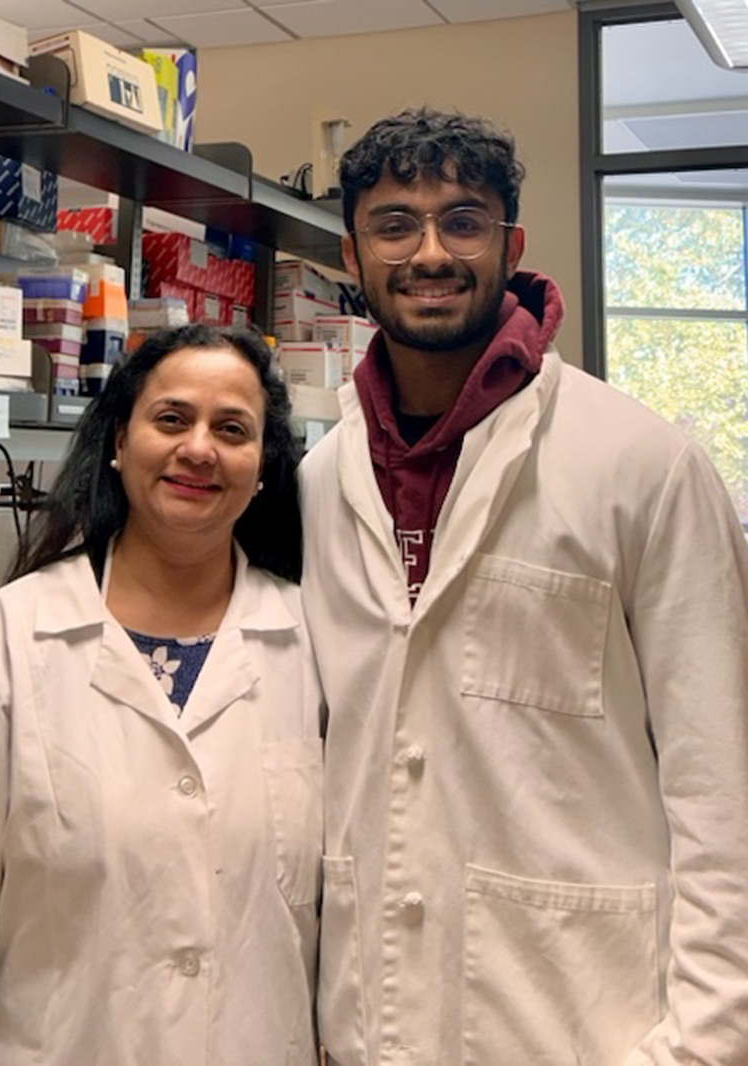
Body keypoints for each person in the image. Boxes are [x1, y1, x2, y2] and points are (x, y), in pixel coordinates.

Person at [300, 107, 748, 1065]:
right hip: (365, 1019)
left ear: (511, 244)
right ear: (353, 251)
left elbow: (723, 789)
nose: (430, 252)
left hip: (584, 1022)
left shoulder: (643, 462)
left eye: (463, 221)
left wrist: (707, 1041)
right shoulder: (318, 478)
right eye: (395, 224)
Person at [0, 324, 324, 1066]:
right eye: (172, 419)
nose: (199, 449)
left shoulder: (313, 643)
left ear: (262, 467)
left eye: (232, 429)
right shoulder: (10, 640)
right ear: (120, 442)